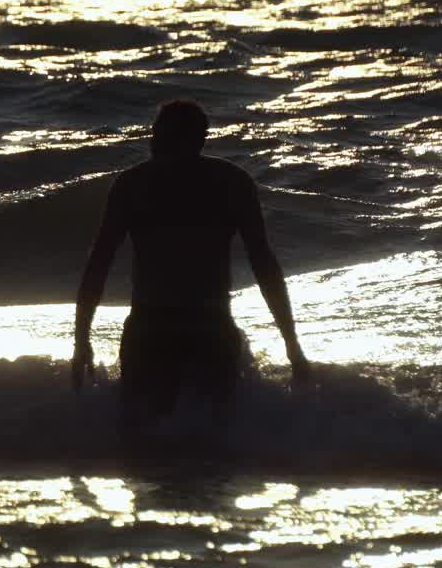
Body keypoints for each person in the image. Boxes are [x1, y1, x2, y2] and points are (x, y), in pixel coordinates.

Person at [71, 100, 311, 427]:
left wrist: (81, 339)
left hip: (152, 330)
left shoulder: (133, 185)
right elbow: (263, 264)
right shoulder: (232, 182)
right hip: (207, 328)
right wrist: (292, 345)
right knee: (215, 443)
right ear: (202, 138)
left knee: (145, 445)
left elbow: (100, 262)